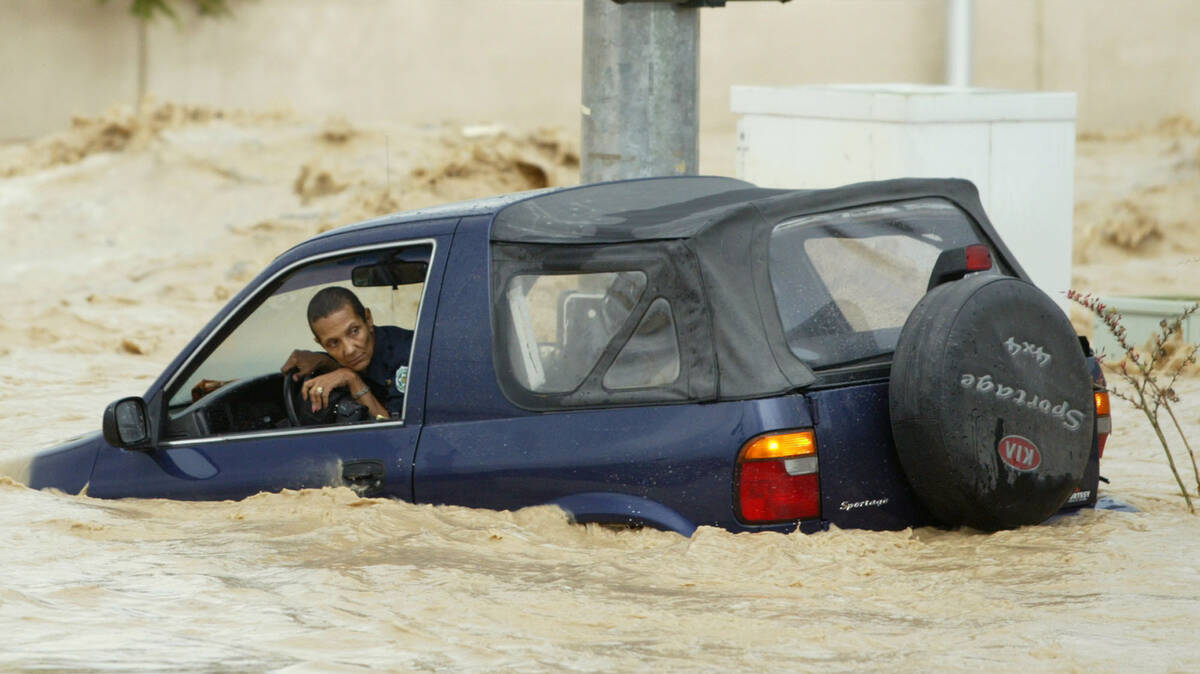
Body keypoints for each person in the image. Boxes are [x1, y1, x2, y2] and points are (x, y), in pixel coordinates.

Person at [281, 287, 413, 421]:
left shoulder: (409, 355)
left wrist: (352, 380)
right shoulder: (355, 356)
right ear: (320, 344)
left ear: (368, 319)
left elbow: (394, 432)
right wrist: (326, 362)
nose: (349, 350)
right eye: (333, 343)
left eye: (354, 331)